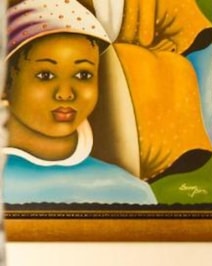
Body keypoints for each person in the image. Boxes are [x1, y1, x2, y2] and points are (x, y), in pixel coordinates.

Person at [3, 0, 156, 205]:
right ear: (6, 82)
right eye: (45, 75)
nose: (65, 94)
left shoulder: (131, 192)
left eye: (83, 75)